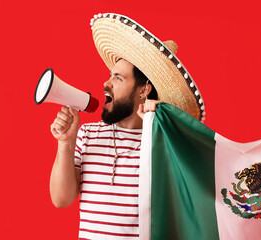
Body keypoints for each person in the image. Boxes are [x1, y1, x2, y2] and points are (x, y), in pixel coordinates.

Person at [48, 13, 205, 239]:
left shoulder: (163, 142)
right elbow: (61, 199)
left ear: (144, 91)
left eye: (118, 78)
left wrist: (164, 128)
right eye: (110, 75)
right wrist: (66, 142)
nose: (106, 83)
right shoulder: (87, 134)